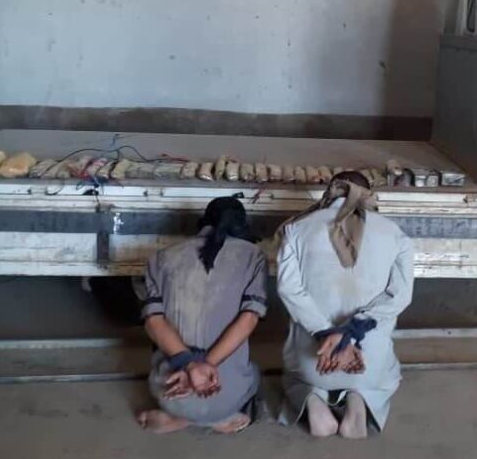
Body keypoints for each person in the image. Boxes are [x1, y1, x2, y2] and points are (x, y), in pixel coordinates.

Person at [276, 171, 414, 439]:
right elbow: (400, 296)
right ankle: (360, 398)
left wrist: (326, 334)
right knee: (387, 375)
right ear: (368, 195)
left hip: (316, 361)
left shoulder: (295, 229)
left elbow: (287, 289)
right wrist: (349, 334)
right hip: (365, 365)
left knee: (296, 376)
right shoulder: (396, 234)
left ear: (331, 193)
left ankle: (313, 399)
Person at [136, 196, 268, 434]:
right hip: (223, 395)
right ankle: (213, 418)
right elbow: (248, 319)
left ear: (203, 223)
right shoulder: (253, 255)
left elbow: (153, 321)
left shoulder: (160, 257)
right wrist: (206, 365)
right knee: (255, 373)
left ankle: (179, 417)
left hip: (170, 390)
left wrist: (189, 366)